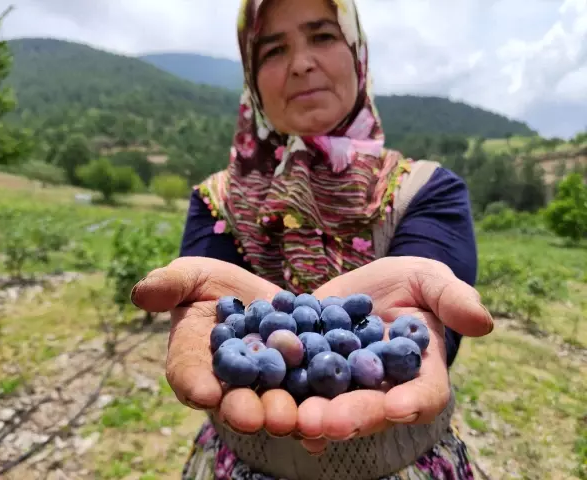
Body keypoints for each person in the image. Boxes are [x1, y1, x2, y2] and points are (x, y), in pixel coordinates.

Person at [130, 0, 495, 478]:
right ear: (252, 77)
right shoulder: (216, 199)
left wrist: (406, 313)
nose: (301, 63)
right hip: (243, 458)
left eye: (322, 36)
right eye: (274, 49)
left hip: (401, 460)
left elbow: (425, 337)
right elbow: (216, 318)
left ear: (357, 54)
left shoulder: (426, 189)